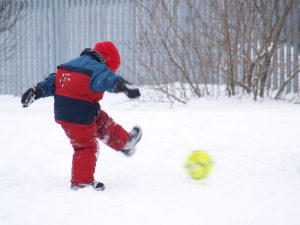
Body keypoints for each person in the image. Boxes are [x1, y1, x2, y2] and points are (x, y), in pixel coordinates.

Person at [21, 41, 142, 191]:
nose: (113, 72)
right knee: (87, 147)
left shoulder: (72, 65)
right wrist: (122, 85)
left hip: (79, 111)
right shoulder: (97, 70)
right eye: (114, 69)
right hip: (76, 116)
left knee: (102, 121)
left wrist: (36, 90)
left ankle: (124, 142)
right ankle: (81, 183)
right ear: (107, 61)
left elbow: (53, 82)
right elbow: (107, 79)